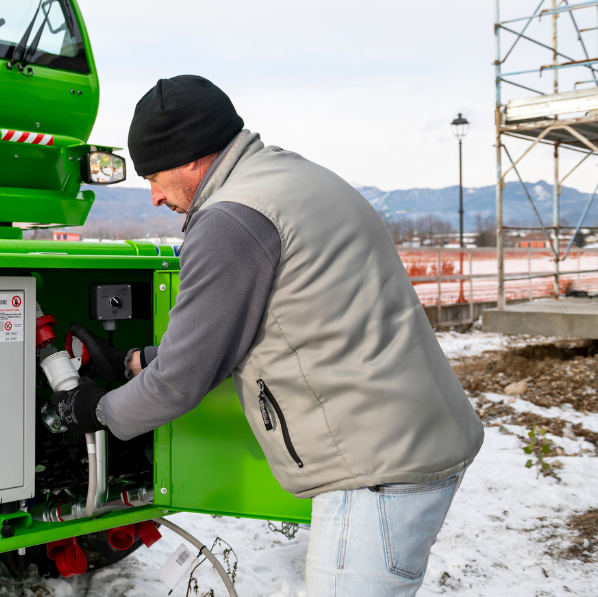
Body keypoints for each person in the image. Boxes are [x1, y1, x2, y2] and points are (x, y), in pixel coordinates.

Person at [51, 75, 484, 596]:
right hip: (413, 438)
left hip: (374, 472)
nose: (155, 197)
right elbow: (265, 324)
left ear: (190, 155)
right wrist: (134, 361)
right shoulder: (291, 178)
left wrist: (98, 410)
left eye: (156, 175)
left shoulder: (231, 220)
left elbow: (181, 382)